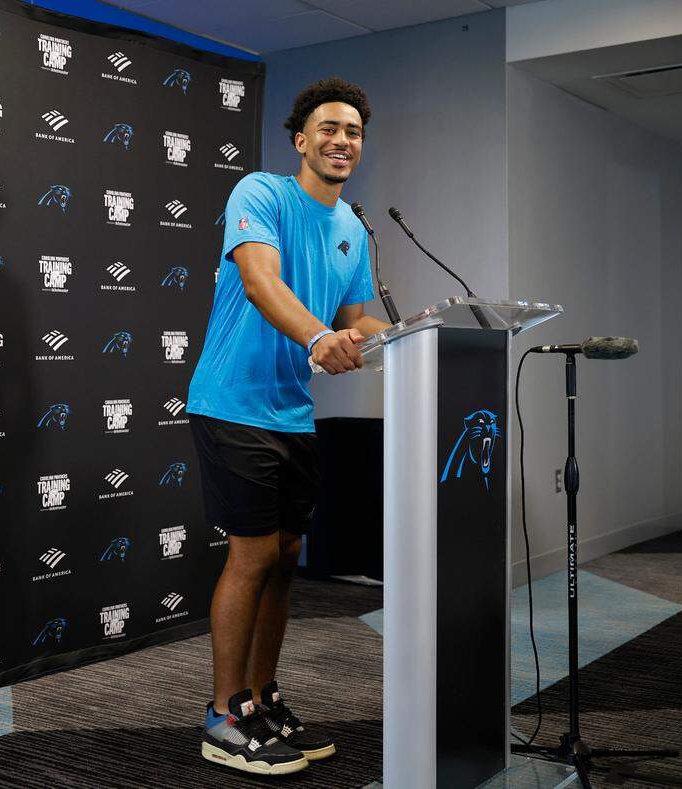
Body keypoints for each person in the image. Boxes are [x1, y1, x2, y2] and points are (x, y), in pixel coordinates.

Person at [186, 76, 392, 776]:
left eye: (354, 132)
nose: (342, 141)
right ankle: (222, 713)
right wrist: (316, 338)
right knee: (251, 555)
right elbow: (260, 281)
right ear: (301, 139)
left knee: (285, 555)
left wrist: (411, 336)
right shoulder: (262, 194)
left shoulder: (353, 229)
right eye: (329, 129)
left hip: (293, 414)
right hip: (232, 403)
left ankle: (260, 696)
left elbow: (358, 318)